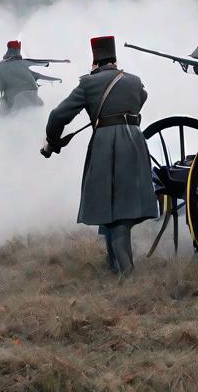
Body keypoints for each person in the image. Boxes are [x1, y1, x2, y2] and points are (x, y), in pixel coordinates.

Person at [44, 36, 157, 276]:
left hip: (107, 144)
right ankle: (113, 264)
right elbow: (142, 99)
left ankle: (127, 275)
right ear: (114, 59)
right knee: (119, 207)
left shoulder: (89, 84)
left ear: (95, 60)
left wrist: (53, 141)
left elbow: (57, 116)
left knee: (115, 213)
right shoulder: (134, 81)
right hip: (135, 143)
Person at [0, 39, 54, 118]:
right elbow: (38, 68)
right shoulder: (23, 63)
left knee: (4, 108)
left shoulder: (1, 65)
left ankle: (4, 127)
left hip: (16, 96)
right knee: (36, 110)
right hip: (32, 92)